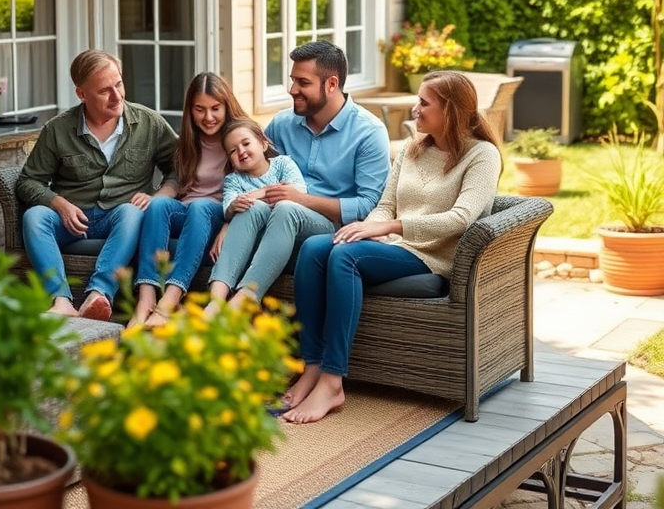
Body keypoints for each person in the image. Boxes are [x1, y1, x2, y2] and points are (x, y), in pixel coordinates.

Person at [281, 70, 502, 423]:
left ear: (451, 110)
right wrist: (368, 228)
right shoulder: (413, 149)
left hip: (433, 255)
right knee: (314, 249)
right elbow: (385, 204)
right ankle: (313, 365)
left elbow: (461, 219)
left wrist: (392, 226)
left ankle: (333, 380)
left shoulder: (482, 155)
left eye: (424, 102)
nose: (416, 109)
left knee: (343, 257)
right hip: (394, 245)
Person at [205, 41, 390, 311]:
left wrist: (301, 199)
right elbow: (251, 173)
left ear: (331, 84)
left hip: (330, 226)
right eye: (292, 80)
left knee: (287, 208)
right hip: (274, 216)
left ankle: (246, 299)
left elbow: (368, 205)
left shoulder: (369, 132)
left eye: (302, 82)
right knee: (263, 207)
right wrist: (229, 220)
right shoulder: (282, 124)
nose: (292, 90)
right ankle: (214, 304)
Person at [16, 50, 178, 319]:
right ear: (82, 94)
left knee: (131, 212)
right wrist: (59, 204)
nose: (117, 96)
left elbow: (180, 168)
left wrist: (161, 194)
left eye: (119, 84)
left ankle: (99, 294)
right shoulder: (57, 129)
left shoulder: (149, 123)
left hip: (120, 217)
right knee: (34, 217)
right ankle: (60, 300)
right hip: (71, 221)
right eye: (105, 90)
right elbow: (28, 181)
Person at [130, 73, 249, 327]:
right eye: (200, 109)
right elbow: (176, 181)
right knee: (159, 205)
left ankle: (170, 299)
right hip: (187, 212)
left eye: (216, 108)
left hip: (218, 212)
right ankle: (146, 297)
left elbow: (259, 183)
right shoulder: (187, 140)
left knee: (201, 206)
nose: (208, 117)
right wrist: (154, 197)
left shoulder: (242, 137)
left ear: (227, 106)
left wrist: (231, 225)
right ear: (190, 110)